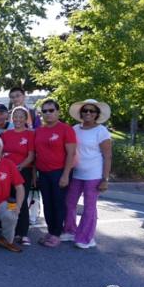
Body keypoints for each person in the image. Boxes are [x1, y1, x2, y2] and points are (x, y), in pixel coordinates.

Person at [63, 99, 112, 249]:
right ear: (81, 113)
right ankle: (70, 230)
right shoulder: (74, 129)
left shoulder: (101, 131)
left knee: (89, 207)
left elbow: (108, 156)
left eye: (92, 111)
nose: (88, 113)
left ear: (97, 114)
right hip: (76, 173)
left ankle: (86, 238)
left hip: (94, 175)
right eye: (85, 110)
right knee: (69, 203)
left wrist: (105, 179)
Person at [34, 99, 77, 248]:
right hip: (43, 173)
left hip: (59, 172)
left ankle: (57, 234)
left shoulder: (66, 129)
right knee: (47, 203)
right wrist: (35, 175)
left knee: (58, 203)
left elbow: (71, 154)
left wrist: (66, 175)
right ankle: (51, 231)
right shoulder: (39, 130)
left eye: (51, 110)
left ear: (58, 112)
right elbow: (35, 154)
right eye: (44, 111)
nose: (48, 113)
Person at [1, 107, 36, 246]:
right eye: (15, 116)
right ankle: (12, 230)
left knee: (21, 200)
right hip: (7, 172)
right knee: (10, 200)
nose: (18, 119)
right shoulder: (5, 134)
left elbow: (31, 155)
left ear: (26, 118)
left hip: (23, 171)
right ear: (12, 118)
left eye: (21, 116)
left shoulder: (30, 134)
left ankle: (23, 233)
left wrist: (19, 167)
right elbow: (1, 153)